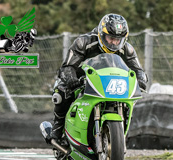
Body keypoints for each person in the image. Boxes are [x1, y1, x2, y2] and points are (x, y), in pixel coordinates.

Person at [50, 13, 148, 144]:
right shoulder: (84, 42)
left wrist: (141, 80)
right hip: (82, 80)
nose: (114, 43)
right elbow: (67, 67)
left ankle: (119, 136)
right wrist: (71, 79)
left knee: (129, 102)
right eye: (110, 38)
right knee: (60, 93)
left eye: (117, 39)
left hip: (111, 82)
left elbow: (138, 70)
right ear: (102, 33)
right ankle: (57, 128)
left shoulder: (127, 49)